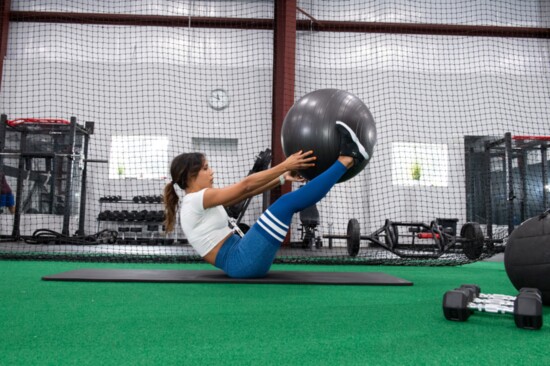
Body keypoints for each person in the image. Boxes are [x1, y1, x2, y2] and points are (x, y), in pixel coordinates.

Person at [163, 121, 371, 278]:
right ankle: (347, 158)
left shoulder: (197, 201)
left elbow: (246, 193)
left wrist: (281, 178)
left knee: (286, 203)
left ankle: (347, 159)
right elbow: (245, 185)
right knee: (286, 204)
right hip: (241, 261)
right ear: (191, 176)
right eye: (206, 168)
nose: (212, 172)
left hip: (243, 259)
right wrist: (284, 165)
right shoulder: (195, 200)